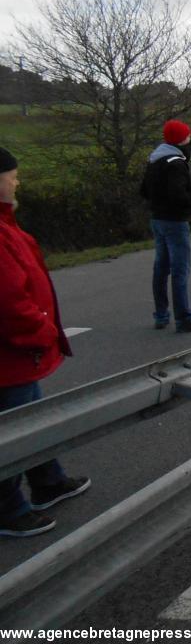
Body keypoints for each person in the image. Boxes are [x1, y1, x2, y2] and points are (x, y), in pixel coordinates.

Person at [0, 147, 90, 538]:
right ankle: (7, 508)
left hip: (19, 354)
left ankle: (48, 481)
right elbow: (8, 300)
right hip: (11, 353)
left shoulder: (5, 225)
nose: (17, 181)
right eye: (12, 175)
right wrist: (43, 330)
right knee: (12, 430)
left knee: (35, 414)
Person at [139, 120, 191, 333]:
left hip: (157, 219)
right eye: (188, 136)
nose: (190, 140)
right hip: (175, 221)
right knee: (180, 269)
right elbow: (179, 193)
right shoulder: (176, 163)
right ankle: (184, 317)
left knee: (161, 268)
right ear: (181, 139)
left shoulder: (155, 159)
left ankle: (161, 314)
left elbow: (144, 190)